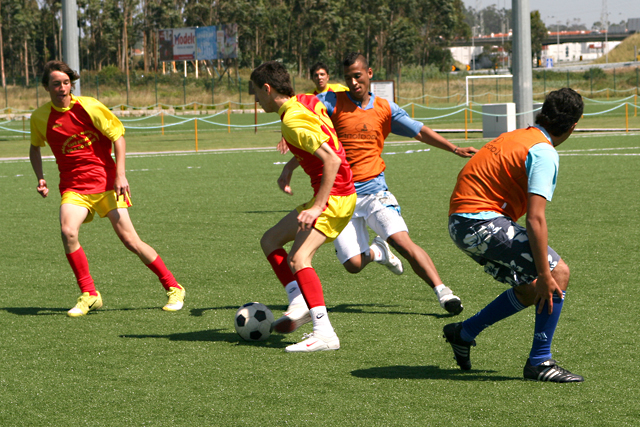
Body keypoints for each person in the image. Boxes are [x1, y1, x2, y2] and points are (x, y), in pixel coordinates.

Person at [310, 52, 477, 315]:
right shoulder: (330, 102)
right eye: (348, 78)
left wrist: (454, 148)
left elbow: (419, 131)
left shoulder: (385, 108)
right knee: (353, 264)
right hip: (342, 197)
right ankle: (378, 252)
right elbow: (304, 113)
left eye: (357, 76)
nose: (353, 82)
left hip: (375, 192)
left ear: (369, 73)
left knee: (403, 242)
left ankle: (443, 292)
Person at [443, 88, 584, 383]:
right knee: (557, 274)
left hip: (462, 223)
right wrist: (546, 272)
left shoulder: (519, 134)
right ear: (573, 126)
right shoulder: (543, 151)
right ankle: (540, 363)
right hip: (479, 222)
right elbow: (535, 218)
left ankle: (464, 332)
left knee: (529, 289)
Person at [29, 60, 185, 317]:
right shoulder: (40, 117)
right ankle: (89, 294)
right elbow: (35, 147)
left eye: (66, 83)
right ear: (46, 87)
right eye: (56, 84)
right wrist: (40, 177)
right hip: (74, 188)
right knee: (68, 232)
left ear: (71, 85)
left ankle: (173, 286)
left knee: (130, 241)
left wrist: (120, 175)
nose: (62, 88)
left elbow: (118, 136)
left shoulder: (89, 106)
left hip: (106, 184)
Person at [252, 61, 357, 352]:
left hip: (334, 197)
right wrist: (290, 167)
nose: (257, 101)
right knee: (270, 240)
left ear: (267, 89)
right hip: (333, 193)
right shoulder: (305, 102)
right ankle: (298, 298)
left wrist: (317, 206)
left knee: (299, 259)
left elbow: (332, 159)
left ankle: (324, 332)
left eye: (256, 94)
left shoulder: (292, 121)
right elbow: (325, 142)